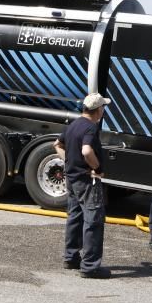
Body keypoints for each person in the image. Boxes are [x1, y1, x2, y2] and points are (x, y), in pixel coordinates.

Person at [55, 92, 112, 279]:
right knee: (93, 221)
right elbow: (87, 150)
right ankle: (90, 267)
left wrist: (69, 163)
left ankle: (71, 258)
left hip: (72, 179)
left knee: (75, 217)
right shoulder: (90, 128)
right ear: (98, 110)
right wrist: (95, 167)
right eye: (103, 107)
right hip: (87, 181)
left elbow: (57, 144)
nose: (104, 110)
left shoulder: (74, 124)